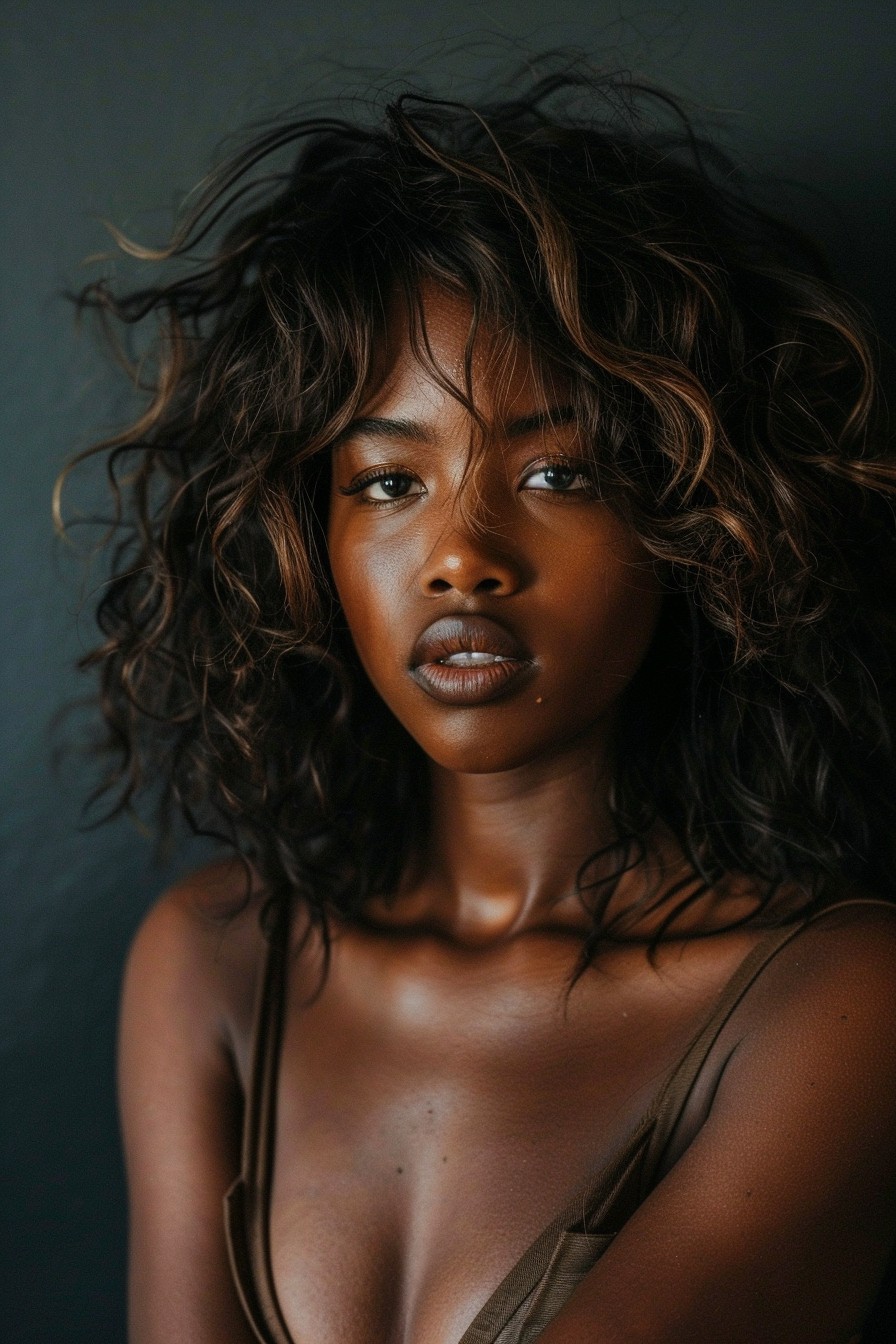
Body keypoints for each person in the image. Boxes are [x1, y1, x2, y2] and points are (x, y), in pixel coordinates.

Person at [62, 62, 896, 1343]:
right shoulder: (217, 964)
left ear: (688, 517)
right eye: (388, 483)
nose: (462, 555)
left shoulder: (837, 1004)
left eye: (558, 470)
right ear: (307, 536)